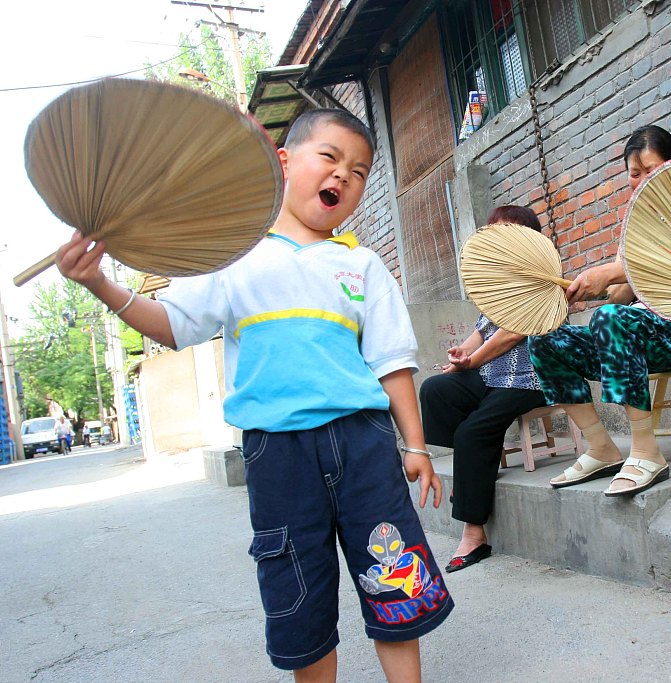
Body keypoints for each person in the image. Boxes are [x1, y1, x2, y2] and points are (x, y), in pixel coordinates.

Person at [55, 108, 453, 683]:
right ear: (284, 163)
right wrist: (98, 281)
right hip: (277, 453)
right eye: (330, 158)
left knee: (394, 575)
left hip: (363, 446)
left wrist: (415, 446)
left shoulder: (361, 264)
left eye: (360, 171)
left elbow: (391, 363)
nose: (344, 175)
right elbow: (173, 324)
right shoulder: (231, 257)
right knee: (297, 590)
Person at [529, 125, 671, 496]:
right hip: (646, 334)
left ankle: (647, 452)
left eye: (649, 170)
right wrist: (584, 294)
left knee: (612, 321)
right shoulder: (635, 223)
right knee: (546, 338)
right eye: (634, 174)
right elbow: (622, 294)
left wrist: (609, 271)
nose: (640, 181)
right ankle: (601, 447)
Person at [419, 205, 548, 572]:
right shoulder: (497, 282)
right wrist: (464, 350)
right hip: (493, 376)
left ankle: (474, 536)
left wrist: (474, 360)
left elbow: (511, 334)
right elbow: (485, 329)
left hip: (531, 377)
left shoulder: (541, 277)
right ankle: (474, 469)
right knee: (436, 390)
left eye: (507, 231)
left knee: (473, 432)